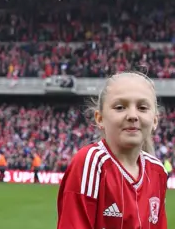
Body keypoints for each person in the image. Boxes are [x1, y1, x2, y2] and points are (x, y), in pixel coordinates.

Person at [56, 71, 168, 229]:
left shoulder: (158, 171)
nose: (132, 116)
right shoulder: (91, 163)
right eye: (120, 107)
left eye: (142, 108)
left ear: (155, 120)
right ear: (99, 118)